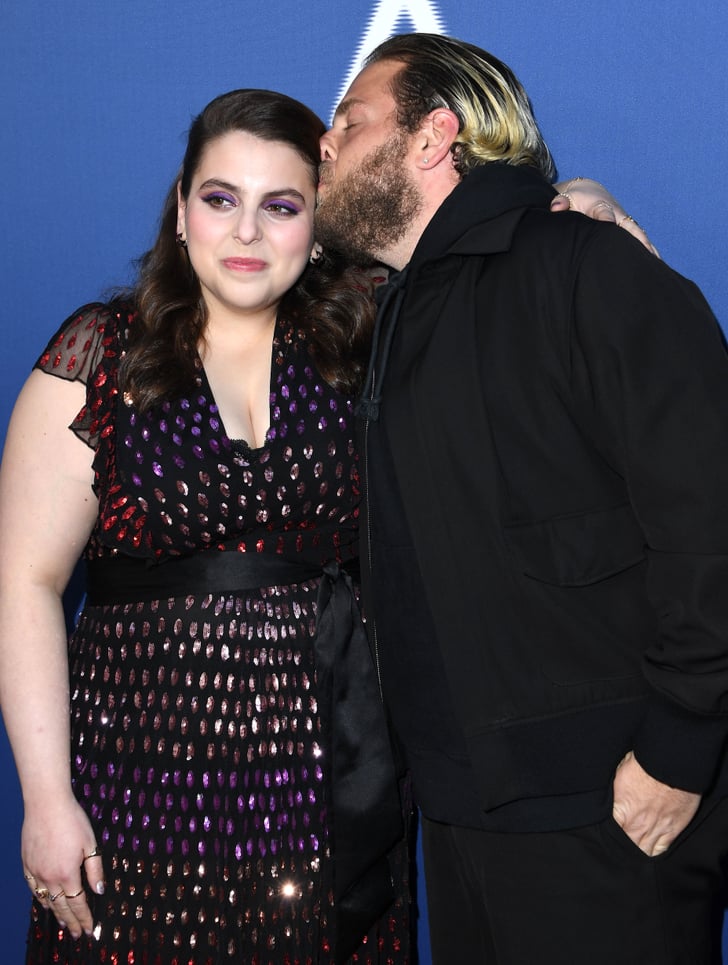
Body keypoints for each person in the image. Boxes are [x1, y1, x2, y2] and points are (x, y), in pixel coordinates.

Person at [315, 32, 728, 965]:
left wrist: (678, 745)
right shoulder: (397, 310)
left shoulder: (589, 267)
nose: (326, 145)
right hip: (463, 816)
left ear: (433, 137)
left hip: (612, 811)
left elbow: (710, 515)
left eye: (350, 119)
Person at [0, 88, 409, 965]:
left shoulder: (373, 333)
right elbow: (24, 583)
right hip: (137, 794)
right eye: (220, 199)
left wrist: (587, 203)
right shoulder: (102, 355)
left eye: (282, 206)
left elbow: (492, 269)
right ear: (182, 211)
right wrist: (45, 796)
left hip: (330, 789)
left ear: (319, 222)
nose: (247, 233)